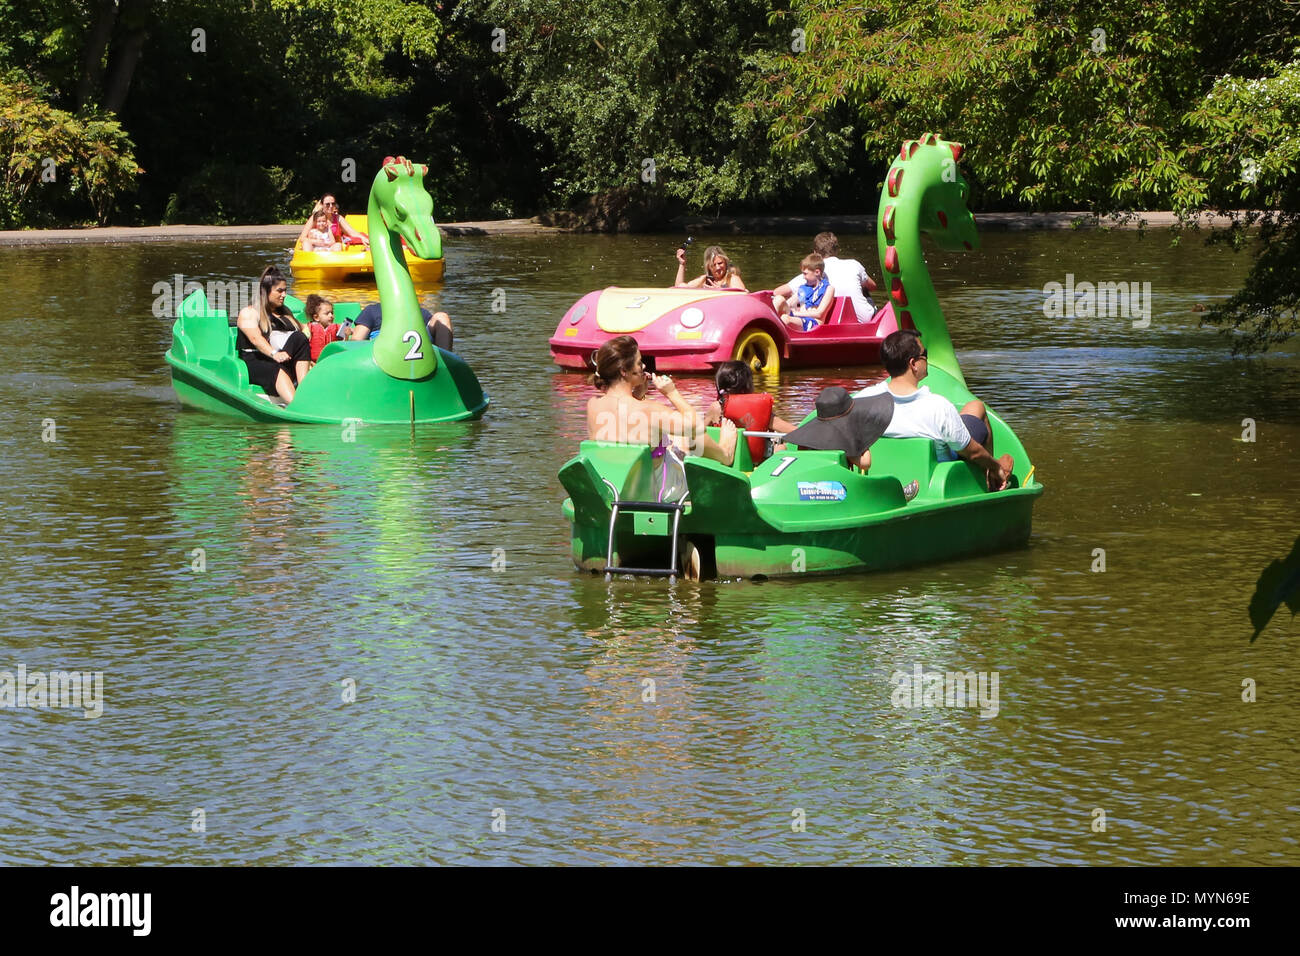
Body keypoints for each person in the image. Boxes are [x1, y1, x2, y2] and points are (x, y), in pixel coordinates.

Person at [855, 329, 1015, 491]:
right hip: (940, 479)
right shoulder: (938, 407)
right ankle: (988, 481)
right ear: (913, 364)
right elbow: (972, 453)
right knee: (979, 421)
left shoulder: (862, 400)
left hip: (882, 476)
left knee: (975, 407)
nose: (926, 359)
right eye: (925, 354)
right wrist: (995, 466)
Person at [587, 335, 737, 466]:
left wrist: (637, 396)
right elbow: (696, 426)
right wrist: (671, 393)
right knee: (686, 437)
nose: (644, 366)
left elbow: (623, 427)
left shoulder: (592, 406)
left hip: (615, 486)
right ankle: (725, 454)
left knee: (671, 434)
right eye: (639, 363)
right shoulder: (650, 410)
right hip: (654, 489)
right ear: (623, 371)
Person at [235, 266, 312, 403]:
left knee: (299, 338)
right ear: (266, 291)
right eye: (279, 291)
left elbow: (303, 328)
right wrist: (274, 353)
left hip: (280, 358)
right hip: (255, 361)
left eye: (285, 290)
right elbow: (256, 338)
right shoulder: (249, 312)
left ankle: (304, 392)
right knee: (275, 368)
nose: (284, 295)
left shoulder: (285, 312)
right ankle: (296, 405)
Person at [773, 231, 878, 322]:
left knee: (806, 290)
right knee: (865, 291)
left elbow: (777, 292)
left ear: (814, 253)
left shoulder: (811, 273)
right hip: (865, 319)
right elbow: (873, 286)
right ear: (837, 250)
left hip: (836, 320)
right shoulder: (854, 264)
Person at [704, 360, 797, 464]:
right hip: (755, 462)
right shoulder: (760, 408)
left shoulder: (715, 407)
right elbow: (794, 431)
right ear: (748, 386)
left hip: (723, 458)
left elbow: (699, 431)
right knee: (782, 447)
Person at [350, 303, 454, 351]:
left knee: (442, 317)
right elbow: (356, 342)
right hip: (383, 346)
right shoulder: (372, 310)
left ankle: (445, 367)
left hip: (417, 337)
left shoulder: (418, 311)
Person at [780, 253, 834, 332]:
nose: (803, 277)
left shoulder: (829, 289)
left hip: (814, 324)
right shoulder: (804, 289)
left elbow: (819, 314)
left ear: (817, 272)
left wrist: (795, 313)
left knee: (785, 318)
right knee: (779, 299)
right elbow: (789, 303)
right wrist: (791, 307)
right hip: (799, 318)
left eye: (805, 273)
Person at [296, 192, 368, 249]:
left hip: (330, 246)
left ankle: (335, 266)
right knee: (306, 243)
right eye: (327, 204)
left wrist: (363, 238)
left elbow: (351, 232)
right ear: (322, 205)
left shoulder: (338, 218)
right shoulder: (315, 217)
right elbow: (303, 237)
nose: (331, 206)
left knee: (338, 246)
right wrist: (317, 242)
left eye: (333, 204)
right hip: (315, 246)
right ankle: (309, 265)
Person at [674, 244, 746, 290]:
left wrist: (721, 290)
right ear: (708, 267)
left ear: (725, 263)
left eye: (720, 263)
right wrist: (682, 264)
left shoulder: (731, 278)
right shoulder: (704, 279)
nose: (718, 268)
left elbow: (742, 294)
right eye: (713, 265)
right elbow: (679, 288)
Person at [303, 294, 347, 362]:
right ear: (316, 317)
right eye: (327, 313)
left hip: (332, 360)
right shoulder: (309, 328)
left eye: (332, 313)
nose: (331, 316)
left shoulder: (336, 327)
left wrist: (347, 333)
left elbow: (344, 343)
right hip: (314, 362)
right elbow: (303, 345)